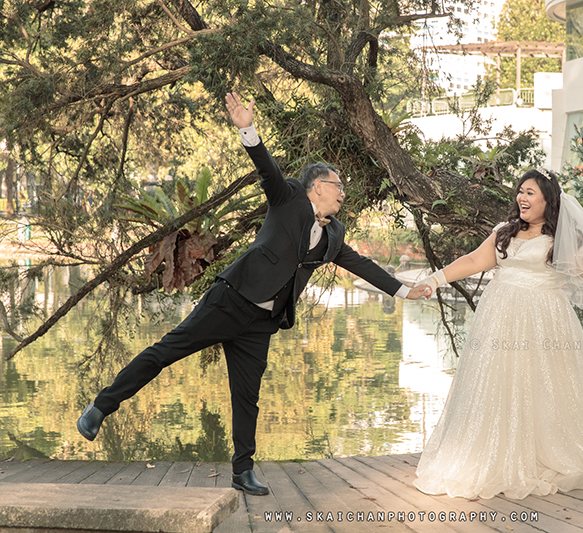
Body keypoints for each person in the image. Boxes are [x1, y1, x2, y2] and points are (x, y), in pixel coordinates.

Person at [77, 92, 431, 496]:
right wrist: (247, 128)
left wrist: (404, 289)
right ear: (316, 187)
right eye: (338, 186)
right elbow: (267, 170)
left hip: (262, 322)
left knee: (247, 397)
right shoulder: (290, 197)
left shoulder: (334, 233)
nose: (343, 193)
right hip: (230, 300)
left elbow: (360, 265)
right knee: (164, 353)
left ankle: (242, 471)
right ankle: (100, 408)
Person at [412, 169, 583, 499]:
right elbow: (475, 259)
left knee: (544, 384)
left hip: (545, 320)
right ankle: (496, 454)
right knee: (499, 383)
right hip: (500, 317)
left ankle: (544, 453)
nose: (522, 197)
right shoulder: (505, 232)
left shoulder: (560, 238)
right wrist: (434, 280)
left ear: (548, 200)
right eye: (520, 191)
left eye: (530, 193)